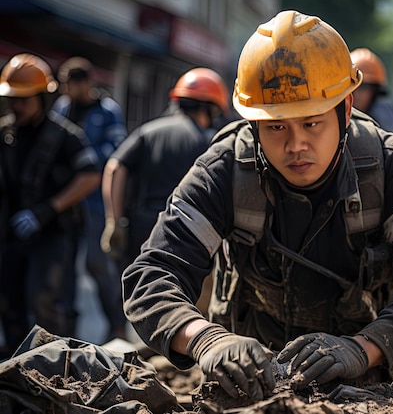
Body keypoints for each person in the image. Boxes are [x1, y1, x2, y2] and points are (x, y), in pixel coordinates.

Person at [121, 10, 393, 401]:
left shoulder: (390, 165)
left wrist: (363, 348)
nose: (296, 144)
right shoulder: (225, 170)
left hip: (370, 378)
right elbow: (150, 276)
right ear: (253, 124)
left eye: (313, 123)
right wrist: (206, 341)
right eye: (277, 126)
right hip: (249, 384)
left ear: (346, 109)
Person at [0, 53, 101, 358]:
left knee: (45, 299)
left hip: (54, 233)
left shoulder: (65, 136)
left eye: (24, 100)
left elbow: (91, 175)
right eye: (12, 100)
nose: (16, 107)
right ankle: (17, 363)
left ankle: (55, 364)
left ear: (43, 98)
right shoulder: (6, 133)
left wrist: (46, 210)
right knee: (8, 299)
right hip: (12, 232)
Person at [100, 67, 231, 271]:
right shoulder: (212, 143)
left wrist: (114, 221)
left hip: (140, 227)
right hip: (185, 232)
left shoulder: (148, 130)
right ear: (212, 109)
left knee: (133, 292)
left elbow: (115, 168)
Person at [51, 56, 129, 341]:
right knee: (63, 265)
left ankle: (116, 323)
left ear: (84, 83)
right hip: (68, 199)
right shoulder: (62, 108)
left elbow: (116, 150)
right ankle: (66, 332)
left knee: (97, 262)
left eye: (68, 84)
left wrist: (84, 160)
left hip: (96, 200)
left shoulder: (107, 111)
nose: (64, 89)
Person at [350, 47, 393, 136]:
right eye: (352, 86)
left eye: (364, 87)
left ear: (375, 91)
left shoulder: (384, 116)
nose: (357, 93)